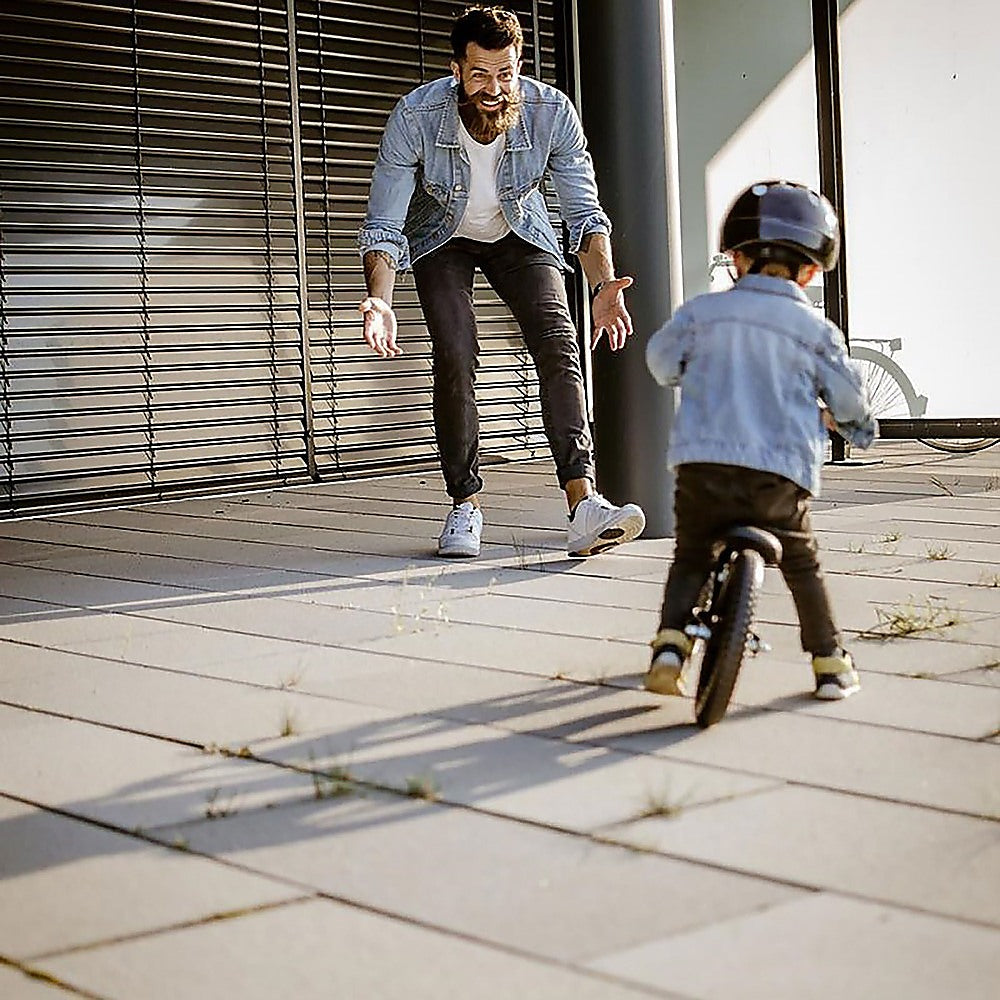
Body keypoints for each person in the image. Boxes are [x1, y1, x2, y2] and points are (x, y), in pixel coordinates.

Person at [357, 4, 645, 559]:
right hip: (442, 234)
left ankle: (583, 504)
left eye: (506, 73)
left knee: (559, 343)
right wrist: (379, 297)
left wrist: (602, 282)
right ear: (457, 68)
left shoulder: (551, 112)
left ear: (519, 63)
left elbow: (584, 212)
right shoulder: (416, 116)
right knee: (456, 352)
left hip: (521, 229)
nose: (494, 88)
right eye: (480, 74)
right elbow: (385, 222)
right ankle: (465, 504)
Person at [644, 180, 876, 700]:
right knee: (801, 562)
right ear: (813, 270)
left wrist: (691, 371)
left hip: (702, 467)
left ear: (736, 261)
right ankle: (830, 662)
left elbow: (661, 362)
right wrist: (859, 431)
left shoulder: (702, 313)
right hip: (778, 477)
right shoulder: (815, 331)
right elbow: (848, 399)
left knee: (692, 553)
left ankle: (669, 647)